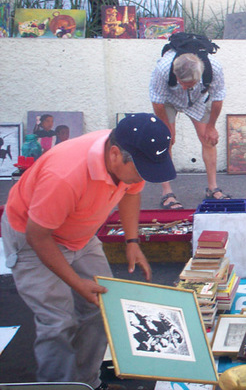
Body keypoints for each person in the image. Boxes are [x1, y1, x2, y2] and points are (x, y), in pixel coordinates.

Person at [1, 113, 176, 389]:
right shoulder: (65, 174)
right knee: (57, 322)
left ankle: (87, 383)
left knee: (102, 308)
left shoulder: (132, 155)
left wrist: (132, 242)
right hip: (32, 237)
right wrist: (76, 283)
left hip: (79, 235)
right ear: (115, 155)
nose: (145, 177)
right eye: (141, 170)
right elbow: (38, 236)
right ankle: (57, 386)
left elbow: (131, 191)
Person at [150, 48, 228, 209]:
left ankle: (213, 189)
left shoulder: (214, 68)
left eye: (189, 84)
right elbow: (157, 101)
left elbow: (218, 98)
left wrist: (212, 127)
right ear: (175, 74)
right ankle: (167, 194)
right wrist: (167, 129)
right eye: (182, 83)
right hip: (168, 100)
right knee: (165, 141)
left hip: (198, 99)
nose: (184, 87)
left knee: (209, 139)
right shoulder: (163, 68)